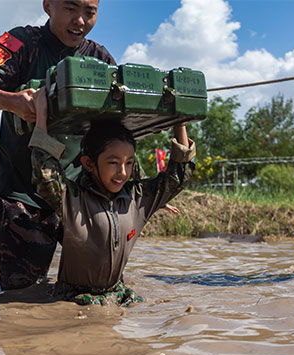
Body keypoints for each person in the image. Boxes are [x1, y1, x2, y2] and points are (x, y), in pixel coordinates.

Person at [0, 0, 116, 290]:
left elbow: (114, 132)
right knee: (21, 296)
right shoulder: (20, 42)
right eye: (71, 8)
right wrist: (13, 102)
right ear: (48, 5)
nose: (80, 20)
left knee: (92, 288)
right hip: (24, 195)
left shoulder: (99, 59)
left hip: (78, 194)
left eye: (90, 12)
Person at [28, 89, 195, 305]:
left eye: (129, 163)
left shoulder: (137, 199)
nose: (123, 173)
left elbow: (178, 177)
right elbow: (45, 174)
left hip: (116, 295)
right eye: (113, 163)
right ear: (89, 164)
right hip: (71, 299)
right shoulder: (72, 199)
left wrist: (179, 121)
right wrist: (42, 115)